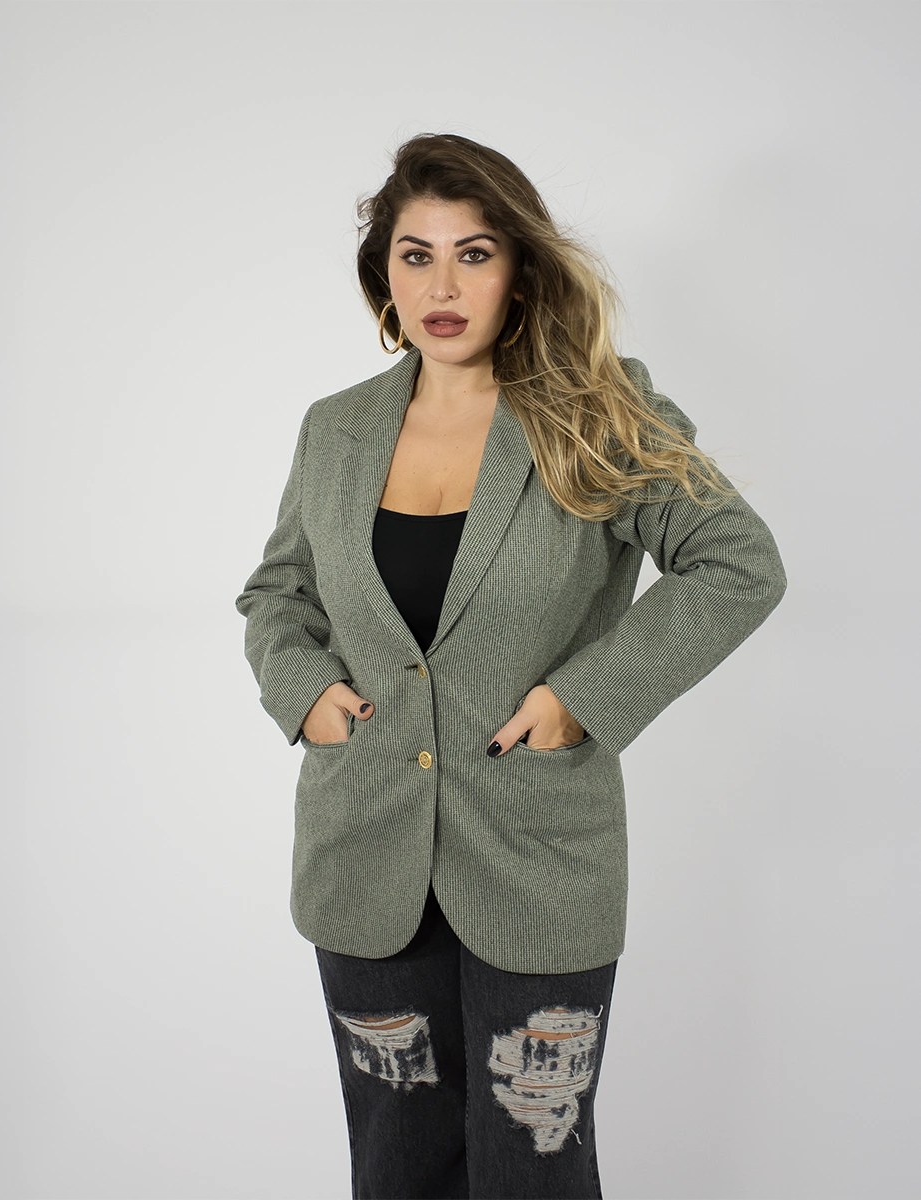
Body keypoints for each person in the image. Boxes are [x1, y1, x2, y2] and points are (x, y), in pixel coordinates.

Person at [234, 132, 787, 1200]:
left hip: (540, 859)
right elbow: (278, 596)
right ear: (385, 278)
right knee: (397, 1163)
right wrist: (306, 695)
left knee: (535, 1164)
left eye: (475, 254)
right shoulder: (337, 431)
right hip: (363, 853)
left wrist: (585, 698)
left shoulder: (599, 410)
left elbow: (737, 563)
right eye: (416, 256)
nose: (443, 286)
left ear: (521, 270)